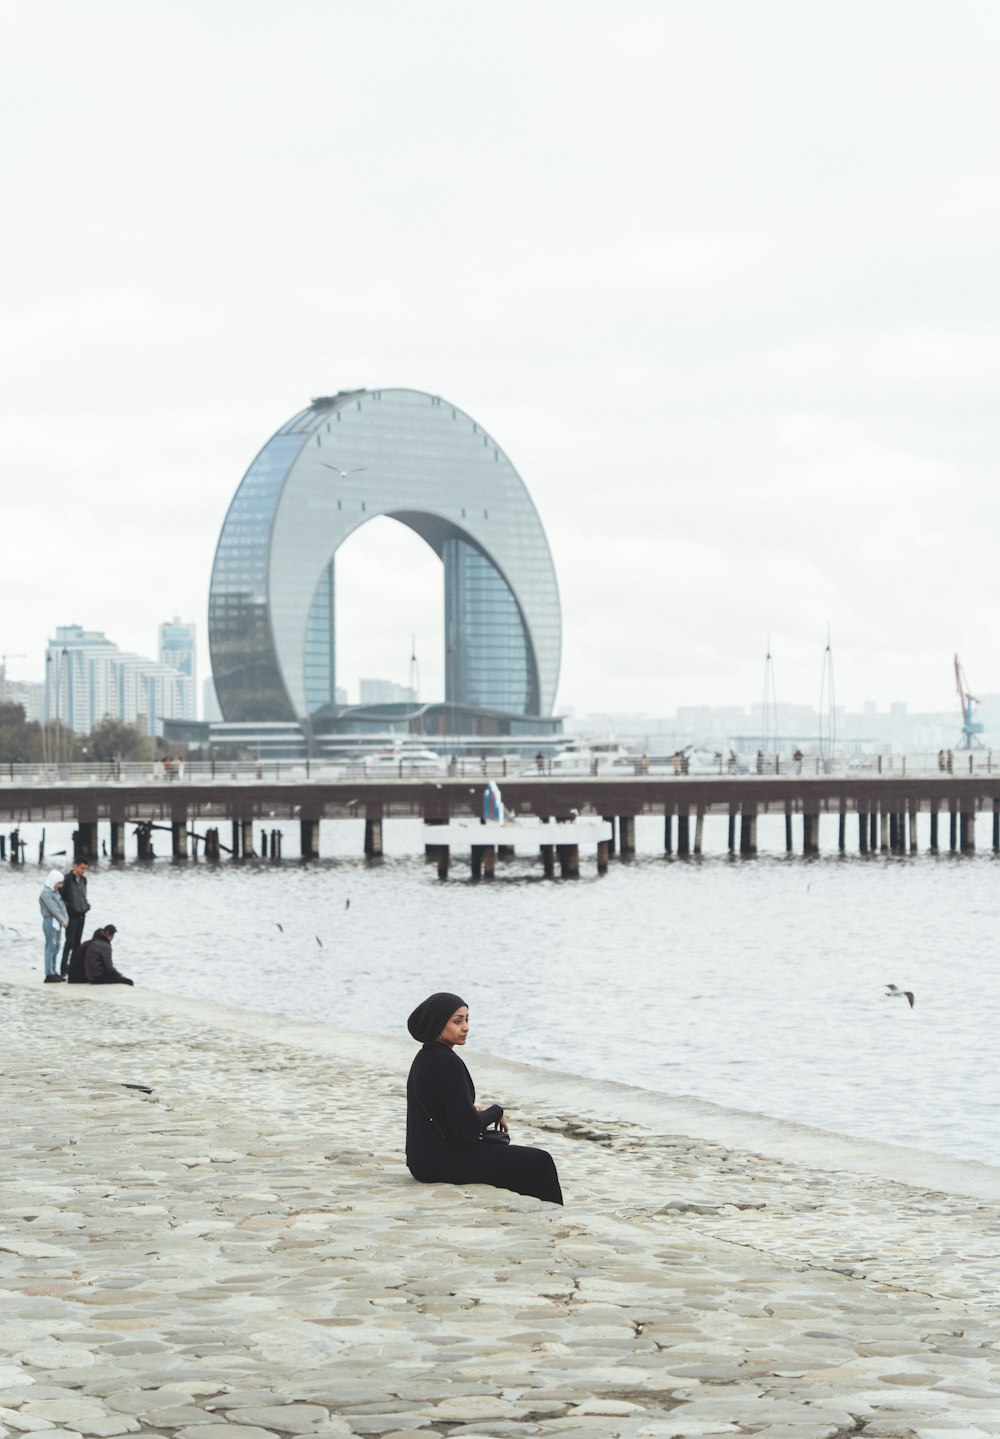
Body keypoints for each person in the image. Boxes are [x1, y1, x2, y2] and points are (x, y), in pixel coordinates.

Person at [405, 992, 563, 1205]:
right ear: (438, 1024)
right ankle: (553, 1215)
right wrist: (496, 1112)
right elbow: (466, 1133)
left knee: (509, 1156)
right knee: (540, 1161)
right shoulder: (447, 1062)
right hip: (440, 1162)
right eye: (457, 1021)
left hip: (422, 1160)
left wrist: (469, 1111)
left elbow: (443, 1113)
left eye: (467, 1020)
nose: (466, 1027)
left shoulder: (425, 1057)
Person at [60, 859, 91, 976]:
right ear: (75, 866)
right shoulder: (67, 879)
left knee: (77, 943)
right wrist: (70, 908)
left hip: (82, 914)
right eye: (82, 868)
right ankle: (63, 968)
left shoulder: (84, 880)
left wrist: (86, 905)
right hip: (71, 915)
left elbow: (83, 895)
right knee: (69, 942)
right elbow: (61, 898)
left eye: (85, 869)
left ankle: (72, 968)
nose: (84, 871)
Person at [38, 869, 69, 983]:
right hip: (50, 921)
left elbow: (61, 906)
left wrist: (66, 918)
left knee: (56, 947)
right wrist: (62, 920)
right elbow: (53, 908)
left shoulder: (55, 892)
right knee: (50, 947)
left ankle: (53, 970)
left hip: (57, 923)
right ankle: (48, 973)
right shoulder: (45, 893)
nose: (60, 886)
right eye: (59, 883)